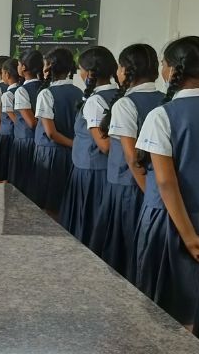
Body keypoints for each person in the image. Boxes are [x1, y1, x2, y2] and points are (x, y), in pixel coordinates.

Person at [135, 36, 199, 329]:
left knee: (166, 309)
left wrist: (188, 236)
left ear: (170, 70)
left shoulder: (162, 115)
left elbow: (166, 182)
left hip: (172, 219)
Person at [90, 44, 163, 282]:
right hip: (152, 184)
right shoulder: (164, 99)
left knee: (120, 249)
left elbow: (131, 157)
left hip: (128, 187)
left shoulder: (126, 104)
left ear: (125, 70)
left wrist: (148, 193)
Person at [59, 46, 119, 249]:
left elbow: (104, 144)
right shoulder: (118, 94)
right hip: (102, 170)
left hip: (91, 173)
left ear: (88, 73)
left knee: (87, 220)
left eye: (81, 69)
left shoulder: (95, 101)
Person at [32, 47, 82, 217]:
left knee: (48, 203)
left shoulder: (46, 94)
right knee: (63, 200)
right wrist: (74, 145)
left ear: (49, 67)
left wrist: (73, 144)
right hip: (70, 155)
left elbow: (51, 133)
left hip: (50, 154)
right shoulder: (79, 92)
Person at [10, 50, 44, 200]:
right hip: (39, 140)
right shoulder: (45, 86)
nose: (17, 67)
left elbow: (31, 122)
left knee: (21, 184)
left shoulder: (21, 91)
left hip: (26, 141)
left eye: (18, 64)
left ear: (23, 67)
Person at [0, 59, 22, 183]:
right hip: (20, 136)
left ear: (6, 74)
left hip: (6, 136)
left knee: (1, 175)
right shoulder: (24, 89)